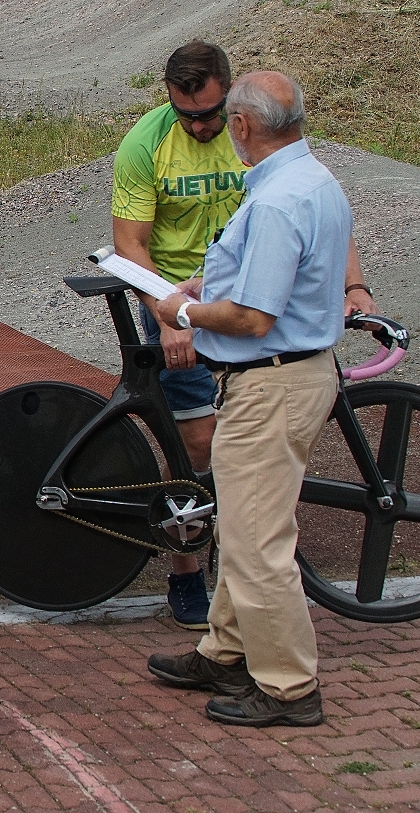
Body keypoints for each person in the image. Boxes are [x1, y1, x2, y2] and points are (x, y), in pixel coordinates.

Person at [111, 41, 377, 629]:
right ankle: (186, 571)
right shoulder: (145, 145)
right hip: (184, 302)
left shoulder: (267, 149)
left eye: (210, 113)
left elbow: (322, 215)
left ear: (235, 108)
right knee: (198, 446)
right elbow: (132, 243)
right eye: (188, 115)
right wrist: (167, 313)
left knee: (243, 468)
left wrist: (354, 286)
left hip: (231, 310)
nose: (201, 126)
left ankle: (233, 607)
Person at [147, 71, 350, 727]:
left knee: (257, 540)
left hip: (270, 380)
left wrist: (184, 309)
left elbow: (254, 316)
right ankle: (228, 649)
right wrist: (212, 280)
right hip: (297, 375)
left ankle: (289, 685)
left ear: (241, 126)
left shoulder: (274, 200)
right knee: (246, 525)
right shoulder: (314, 180)